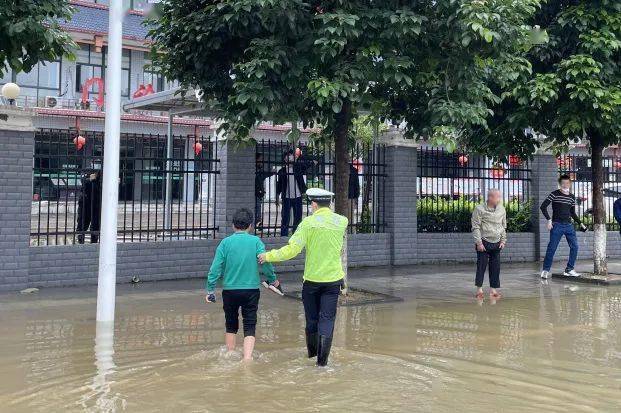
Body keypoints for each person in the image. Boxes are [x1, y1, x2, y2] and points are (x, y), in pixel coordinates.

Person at [259, 188, 348, 366]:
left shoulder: (308, 223)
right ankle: (322, 364)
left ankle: (312, 357)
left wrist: (267, 256)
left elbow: (292, 250)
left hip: (312, 282)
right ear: (329, 203)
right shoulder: (342, 221)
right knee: (327, 319)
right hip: (333, 281)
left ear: (314, 204)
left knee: (312, 320)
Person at [205, 208, 280, 361]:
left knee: (231, 324)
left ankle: (230, 354)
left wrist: (210, 290)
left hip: (230, 291)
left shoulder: (225, 243)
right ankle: (247, 359)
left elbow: (215, 268)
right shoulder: (256, 242)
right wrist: (272, 279)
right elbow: (265, 262)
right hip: (251, 291)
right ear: (250, 226)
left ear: (233, 226)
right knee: (250, 323)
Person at [540, 174, 587, 279]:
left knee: (574, 247)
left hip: (569, 226)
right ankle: (545, 270)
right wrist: (549, 220)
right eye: (563, 183)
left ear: (570, 183)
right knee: (551, 248)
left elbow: (573, 213)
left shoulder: (571, 197)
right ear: (560, 184)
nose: (565, 185)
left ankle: (569, 269)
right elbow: (543, 207)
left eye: (567, 183)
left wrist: (580, 223)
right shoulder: (554, 194)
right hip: (557, 225)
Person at [471, 189, 506, 300]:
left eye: (500, 197)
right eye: (497, 197)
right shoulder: (479, 209)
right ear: (490, 197)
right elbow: (475, 227)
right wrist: (479, 242)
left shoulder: (502, 209)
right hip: (484, 242)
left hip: (497, 242)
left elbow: (503, 226)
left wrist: (503, 240)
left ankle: (493, 290)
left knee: (495, 267)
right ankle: (479, 290)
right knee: (481, 266)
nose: (499, 199)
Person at [276, 149, 315, 236]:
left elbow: (306, 165)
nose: (290, 158)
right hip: (286, 197)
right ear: (285, 159)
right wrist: (277, 197)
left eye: (291, 156)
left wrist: (312, 161)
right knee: (285, 217)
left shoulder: (297, 168)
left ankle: (296, 234)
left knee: (298, 216)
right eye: (288, 156)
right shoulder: (282, 171)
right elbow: (279, 185)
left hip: (297, 196)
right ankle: (284, 235)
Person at [76, 169, 102, 244]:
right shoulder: (87, 171)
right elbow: (83, 181)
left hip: (97, 203)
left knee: (95, 225)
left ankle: (94, 242)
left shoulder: (102, 173)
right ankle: (81, 242)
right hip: (85, 203)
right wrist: (89, 179)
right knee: (82, 223)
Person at [254, 153, 276, 228]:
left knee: (257, 208)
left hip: (258, 194)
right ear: (256, 160)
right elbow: (262, 176)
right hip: (256, 194)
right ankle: (257, 224)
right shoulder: (255, 170)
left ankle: (257, 223)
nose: (262, 161)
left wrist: (271, 173)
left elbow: (263, 175)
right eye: (260, 160)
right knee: (256, 209)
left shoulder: (258, 170)